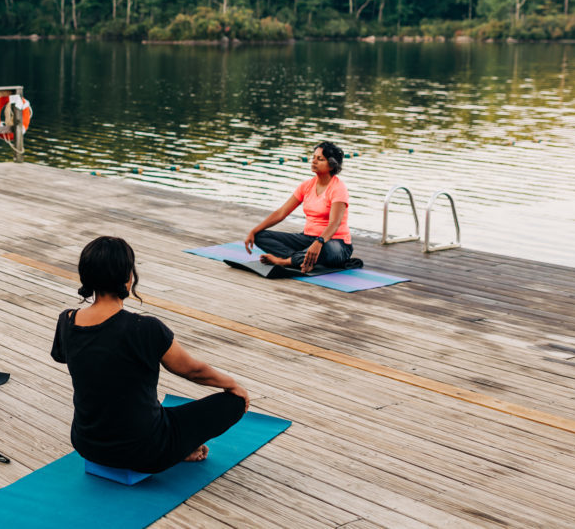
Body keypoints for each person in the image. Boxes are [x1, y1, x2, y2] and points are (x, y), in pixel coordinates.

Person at [51, 236, 249, 474]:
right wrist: (233, 386)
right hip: (147, 450)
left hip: (87, 443)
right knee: (233, 403)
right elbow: (191, 370)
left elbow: (68, 357)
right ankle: (177, 449)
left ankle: (178, 446)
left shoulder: (67, 321)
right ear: (128, 277)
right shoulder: (144, 328)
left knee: (161, 413)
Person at [245, 141, 361, 273]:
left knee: (326, 249)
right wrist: (254, 231)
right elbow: (282, 212)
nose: (314, 161)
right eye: (314, 158)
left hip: (335, 243)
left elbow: (334, 223)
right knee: (261, 236)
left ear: (331, 164)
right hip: (307, 238)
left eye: (320, 159)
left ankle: (285, 261)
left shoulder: (338, 188)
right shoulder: (306, 186)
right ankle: (303, 258)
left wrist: (319, 242)